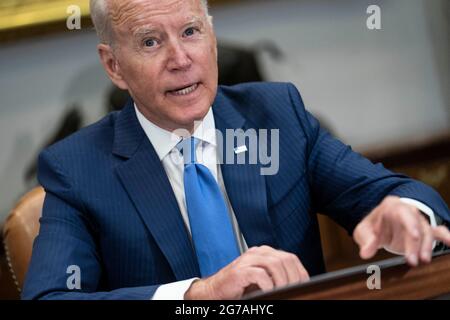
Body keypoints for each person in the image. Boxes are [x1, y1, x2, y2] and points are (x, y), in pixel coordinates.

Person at [22, 0, 450, 300]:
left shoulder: (278, 117)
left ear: (211, 37)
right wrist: (198, 294)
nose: (180, 59)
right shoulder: (77, 168)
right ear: (114, 65)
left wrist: (408, 215)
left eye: (190, 31)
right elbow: (51, 297)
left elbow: (395, 194)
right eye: (150, 42)